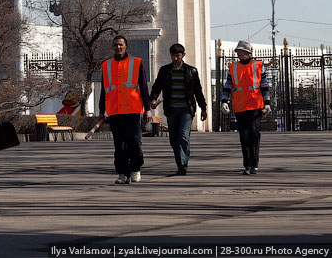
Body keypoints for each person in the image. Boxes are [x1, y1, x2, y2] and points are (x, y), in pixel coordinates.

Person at [99, 35, 152, 185]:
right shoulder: (106, 65)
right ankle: (123, 172)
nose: (118, 47)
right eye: (116, 45)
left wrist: (147, 108)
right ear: (113, 47)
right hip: (115, 111)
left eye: (121, 44)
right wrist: (101, 111)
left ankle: (135, 169)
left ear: (126, 46)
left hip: (133, 109)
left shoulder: (136, 63)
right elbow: (104, 90)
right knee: (119, 144)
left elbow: (143, 86)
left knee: (134, 142)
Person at [149, 42, 208, 175]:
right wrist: (153, 98)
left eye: (178, 55)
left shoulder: (191, 71)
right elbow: (157, 86)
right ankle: (181, 162)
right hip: (171, 109)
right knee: (174, 139)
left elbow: (198, 91)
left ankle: (182, 164)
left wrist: (203, 108)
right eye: (173, 56)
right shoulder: (165, 71)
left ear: (183, 55)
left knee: (183, 136)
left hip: (186, 109)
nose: (176, 58)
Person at [221, 40, 270, 175]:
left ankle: (254, 164)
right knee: (244, 136)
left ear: (248, 52)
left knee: (253, 134)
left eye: (241, 51)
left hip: (255, 105)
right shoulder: (233, 67)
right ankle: (247, 165)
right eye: (238, 51)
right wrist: (224, 101)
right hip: (240, 106)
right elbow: (228, 85)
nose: (239, 53)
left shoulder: (258, 66)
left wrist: (267, 103)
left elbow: (264, 85)